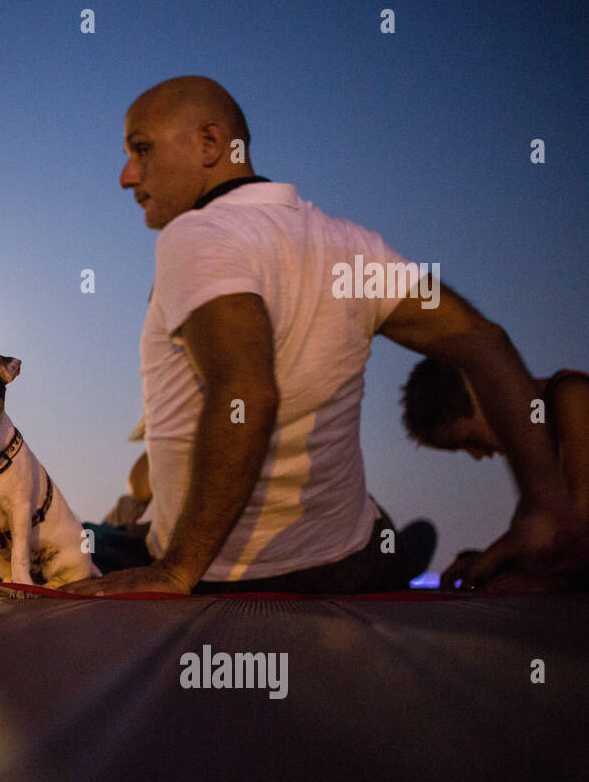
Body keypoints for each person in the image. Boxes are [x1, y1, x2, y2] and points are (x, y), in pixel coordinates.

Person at [60, 75, 582, 596]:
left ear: (211, 144)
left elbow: (248, 392)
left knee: (60, 544)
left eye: (142, 149)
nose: (128, 176)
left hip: (221, 579)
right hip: (344, 566)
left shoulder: (196, 235)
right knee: (374, 531)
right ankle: (394, 557)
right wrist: (543, 510)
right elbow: (483, 342)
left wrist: (177, 572)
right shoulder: (352, 246)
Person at [402, 357, 589, 588]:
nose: (478, 455)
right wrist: (489, 561)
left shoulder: (572, 396)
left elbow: (580, 518)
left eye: (471, 440)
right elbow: (543, 541)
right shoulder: (537, 456)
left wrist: (534, 578)